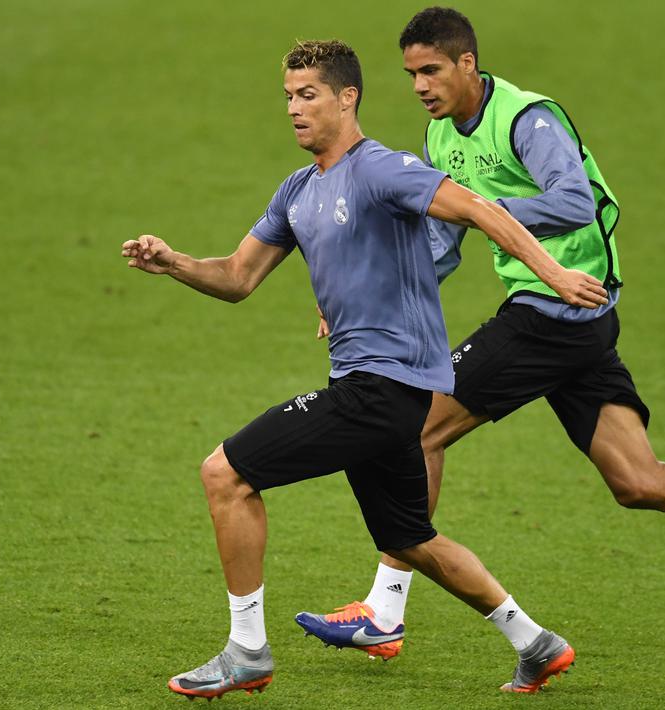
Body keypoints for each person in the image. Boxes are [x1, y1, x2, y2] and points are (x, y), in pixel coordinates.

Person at [295, 6, 665, 660]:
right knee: (639, 480)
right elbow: (441, 244)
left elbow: (574, 201)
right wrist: (370, 293)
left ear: (466, 63)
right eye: (410, 75)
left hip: (555, 311)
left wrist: (485, 211)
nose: (420, 86)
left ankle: (384, 610)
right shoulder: (441, 138)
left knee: (415, 425)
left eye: (431, 70)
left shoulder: (526, 119)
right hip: (572, 325)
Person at [124, 39, 609, 699]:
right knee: (410, 539)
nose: (294, 109)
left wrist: (553, 274)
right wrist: (174, 263)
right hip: (375, 391)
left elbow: (479, 208)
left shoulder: (382, 169)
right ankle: (535, 643)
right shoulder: (297, 190)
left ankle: (246, 651)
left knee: (225, 474)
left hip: (383, 388)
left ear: (347, 97)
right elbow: (237, 277)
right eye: (288, 96)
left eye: (308, 95)